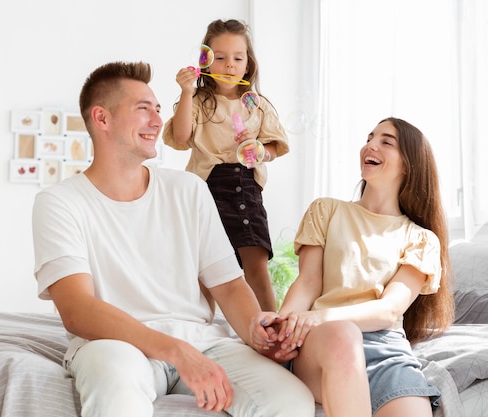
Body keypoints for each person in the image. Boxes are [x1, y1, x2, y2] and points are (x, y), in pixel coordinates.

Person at [31, 61, 314, 417]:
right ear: (102, 119)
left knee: (291, 401)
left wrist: (255, 333)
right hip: (113, 344)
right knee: (116, 391)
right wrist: (175, 351)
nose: (157, 120)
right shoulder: (59, 202)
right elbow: (77, 310)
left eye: (158, 109)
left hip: (202, 341)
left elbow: (228, 285)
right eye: (143, 109)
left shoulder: (189, 189)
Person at [263, 118, 455, 416]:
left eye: (386, 142)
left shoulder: (421, 239)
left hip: (386, 352)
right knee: (344, 335)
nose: (370, 145)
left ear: (408, 165)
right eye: (370, 137)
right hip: (325, 341)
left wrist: (318, 316)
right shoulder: (327, 210)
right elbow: (308, 283)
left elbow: (389, 310)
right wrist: (285, 327)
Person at [163, 19, 287, 311]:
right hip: (205, 189)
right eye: (219, 57)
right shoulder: (197, 101)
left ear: (248, 65)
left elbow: (274, 148)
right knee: (204, 271)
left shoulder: (257, 105)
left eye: (237, 58)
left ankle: (272, 329)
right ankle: (200, 330)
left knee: (255, 267)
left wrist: (258, 149)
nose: (229, 65)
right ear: (205, 63)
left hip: (246, 188)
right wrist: (185, 92)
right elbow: (180, 137)